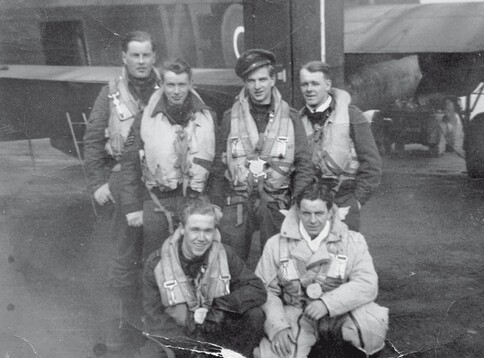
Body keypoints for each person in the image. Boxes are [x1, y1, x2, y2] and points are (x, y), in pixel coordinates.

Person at [253, 181, 388, 358]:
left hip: (342, 311)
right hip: (299, 313)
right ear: (297, 211)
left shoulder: (352, 240)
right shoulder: (277, 244)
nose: (313, 220)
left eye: (319, 213)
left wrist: (327, 303)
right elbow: (264, 289)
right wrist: (278, 326)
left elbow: (367, 284)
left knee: (370, 325)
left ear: (331, 213)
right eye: (306, 213)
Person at [83, 30, 160, 349]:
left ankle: (155, 319)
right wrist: (97, 183)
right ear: (124, 58)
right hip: (120, 177)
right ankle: (124, 320)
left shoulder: (168, 87)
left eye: (146, 55)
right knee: (124, 255)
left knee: (156, 252)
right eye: (135, 55)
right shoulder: (111, 92)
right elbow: (92, 139)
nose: (141, 62)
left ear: (154, 57)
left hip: (156, 183)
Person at [136, 198, 267, 358]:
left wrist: (219, 307)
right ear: (182, 229)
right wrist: (192, 342)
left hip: (214, 331)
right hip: (179, 335)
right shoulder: (157, 263)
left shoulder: (224, 254)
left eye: (208, 231)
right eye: (195, 230)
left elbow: (256, 288)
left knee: (254, 315)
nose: (201, 238)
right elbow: (154, 320)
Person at [211, 49, 313, 270]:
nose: (257, 86)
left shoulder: (292, 117)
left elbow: (304, 163)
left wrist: (296, 202)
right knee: (230, 261)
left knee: (278, 262)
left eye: (262, 79)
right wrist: (217, 203)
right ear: (245, 83)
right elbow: (218, 165)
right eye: (251, 81)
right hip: (239, 200)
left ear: (273, 79)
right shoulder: (230, 118)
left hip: (277, 199)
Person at [121, 57, 217, 258]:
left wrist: (216, 203)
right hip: (158, 200)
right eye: (170, 85)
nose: (176, 91)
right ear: (162, 84)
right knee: (156, 259)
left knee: (199, 258)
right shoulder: (145, 118)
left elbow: (217, 165)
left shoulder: (208, 116)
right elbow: (129, 162)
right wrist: (132, 207)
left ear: (191, 84)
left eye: (182, 85)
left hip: (195, 199)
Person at [299, 61, 382, 231]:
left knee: (342, 254)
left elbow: (372, 163)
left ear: (328, 85)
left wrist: (357, 201)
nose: (309, 89)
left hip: (343, 202)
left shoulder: (352, 115)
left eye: (315, 83)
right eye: (305, 84)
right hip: (309, 209)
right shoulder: (297, 119)